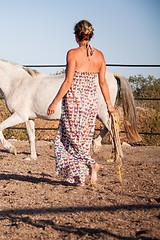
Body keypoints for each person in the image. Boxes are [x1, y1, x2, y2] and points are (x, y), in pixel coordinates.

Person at [47, 20, 116, 186]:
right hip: (90, 103)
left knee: (67, 141)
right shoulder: (99, 55)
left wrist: (54, 102)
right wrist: (109, 105)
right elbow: (103, 83)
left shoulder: (72, 53)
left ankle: (91, 164)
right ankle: (80, 178)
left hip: (74, 103)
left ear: (77, 35)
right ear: (90, 34)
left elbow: (68, 81)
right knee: (83, 142)